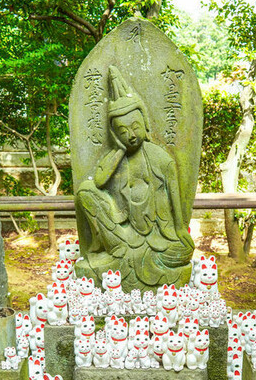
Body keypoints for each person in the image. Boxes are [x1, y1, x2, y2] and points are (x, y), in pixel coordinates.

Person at [75, 65, 194, 290]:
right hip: (122, 234)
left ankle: (118, 265)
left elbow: (174, 194)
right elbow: (99, 182)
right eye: (122, 131)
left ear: (145, 124)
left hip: (158, 237)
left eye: (135, 127)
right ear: (114, 134)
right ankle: (118, 254)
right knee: (85, 191)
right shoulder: (115, 158)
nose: (130, 135)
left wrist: (179, 229)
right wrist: (119, 150)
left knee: (184, 251)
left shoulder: (160, 158)